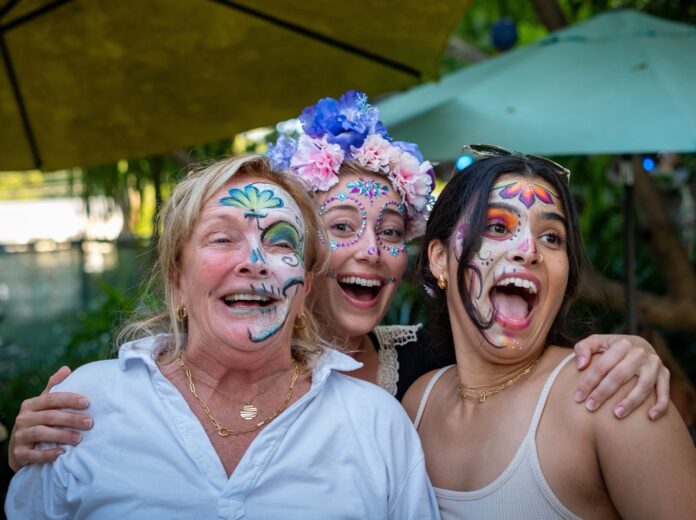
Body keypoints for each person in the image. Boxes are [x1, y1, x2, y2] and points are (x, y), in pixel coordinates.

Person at [8, 91, 670, 470]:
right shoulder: (191, 375)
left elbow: (528, 379)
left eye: (390, 231)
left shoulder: (434, 358)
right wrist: (42, 445)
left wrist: (627, 352)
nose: (373, 252)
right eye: (344, 224)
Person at [5, 155, 438, 519]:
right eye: (223, 237)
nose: (254, 262)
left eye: (280, 241)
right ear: (176, 279)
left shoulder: (378, 423)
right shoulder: (83, 406)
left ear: (305, 285)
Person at [403, 145, 696, 518]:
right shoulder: (417, 403)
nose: (528, 250)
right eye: (497, 226)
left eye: (552, 237)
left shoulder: (610, 392)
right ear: (440, 259)